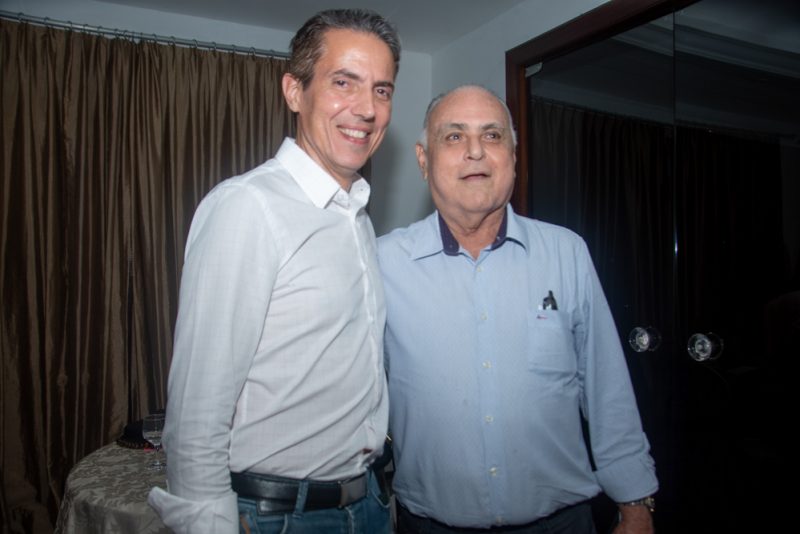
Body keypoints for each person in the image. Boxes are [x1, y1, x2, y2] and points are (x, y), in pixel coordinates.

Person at [147, 9, 400, 534]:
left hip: (368, 504)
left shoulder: (356, 217)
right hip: (279, 517)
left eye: (381, 90)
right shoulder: (249, 207)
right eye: (343, 82)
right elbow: (197, 412)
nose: (366, 109)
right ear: (294, 92)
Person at [378, 85, 658, 534]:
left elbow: (607, 390)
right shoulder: (382, 263)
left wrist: (635, 502)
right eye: (454, 136)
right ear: (423, 159)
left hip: (562, 524)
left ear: (513, 155)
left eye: (492, 136)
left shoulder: (566, 253)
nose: (475, 151)